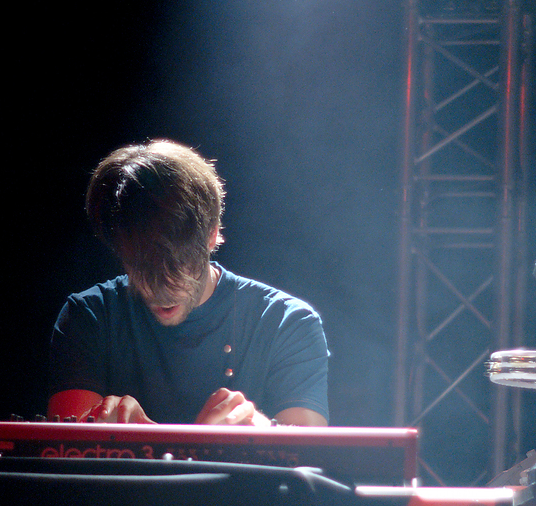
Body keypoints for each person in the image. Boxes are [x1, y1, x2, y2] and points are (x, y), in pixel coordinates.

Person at [47, 139, 329, 426]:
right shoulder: (89, 317)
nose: (159, 290)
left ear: (212, 235)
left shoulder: (287, 322)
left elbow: (308, 458)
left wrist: (259, 429)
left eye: (178, 265)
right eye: (141, 266)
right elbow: (66, 457)